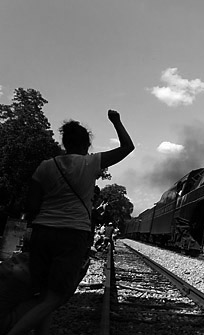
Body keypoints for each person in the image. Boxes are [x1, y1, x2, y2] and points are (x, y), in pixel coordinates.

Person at [6, 110, 134, 335]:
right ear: (87, 144)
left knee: (43, 294)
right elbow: (127, 147)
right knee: (58, 296)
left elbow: (32, 204)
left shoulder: (45, 166)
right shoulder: (91, 163)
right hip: (72, 234)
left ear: (64, 143)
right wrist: (117, 121)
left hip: (42, 232)